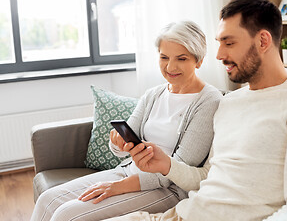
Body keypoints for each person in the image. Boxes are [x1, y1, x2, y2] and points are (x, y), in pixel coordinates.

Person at [104, 0, 287, 221]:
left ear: (263, 41)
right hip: (182, 214)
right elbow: (205, 177)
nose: (219, 55)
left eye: (230, 43)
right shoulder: (229, 103)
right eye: (219, 43)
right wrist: (167, 164)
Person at [30, 21, 223, 221]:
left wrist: (118, 187)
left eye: (181, 59)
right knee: (48, 199)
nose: (170, 66)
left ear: (198, 61)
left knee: (66, 215)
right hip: (127, 172)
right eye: (164, 57)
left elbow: (178, 169)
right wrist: (118, 143)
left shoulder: (209, 100)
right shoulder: (153, 94)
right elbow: (123, 148)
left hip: (167, 189)